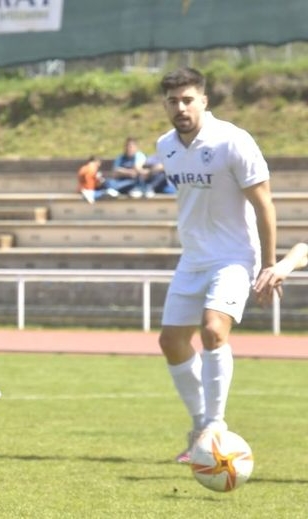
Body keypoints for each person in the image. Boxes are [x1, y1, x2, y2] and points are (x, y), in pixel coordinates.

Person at [154, 67, 278, 464]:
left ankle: (215, 424)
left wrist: (269, 264)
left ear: (204, 101)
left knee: (212, 329)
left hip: (233, 257)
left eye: (188, 99)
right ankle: (199, 430)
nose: (181, 107)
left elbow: (264, 204)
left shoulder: (233, 141)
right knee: (171, 342)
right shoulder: (164, 146)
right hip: (192, 258)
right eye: (173, 101)